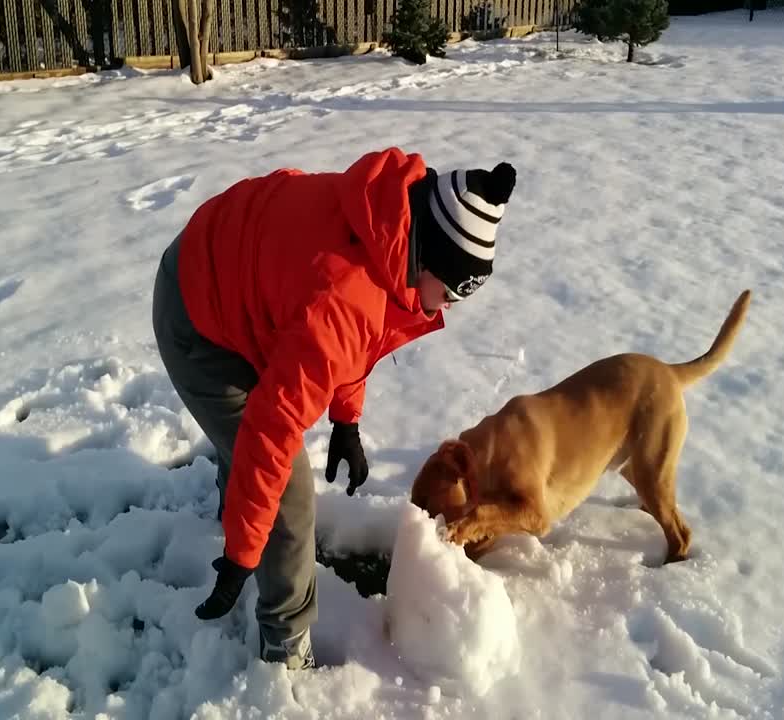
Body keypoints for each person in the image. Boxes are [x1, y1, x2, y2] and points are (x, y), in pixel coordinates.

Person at [151, 147, 516, 670]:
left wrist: (347, 418)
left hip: (234, 274)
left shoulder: (388, 227)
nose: (454, 304)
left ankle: (239, 514)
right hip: (198, 317)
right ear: (429, 257)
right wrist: (241, 555)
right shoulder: (344, 299)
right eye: (457, 288)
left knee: (261, 448)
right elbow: (284, 410)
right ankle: (283, 640)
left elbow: (361, 333)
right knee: (288, 491)